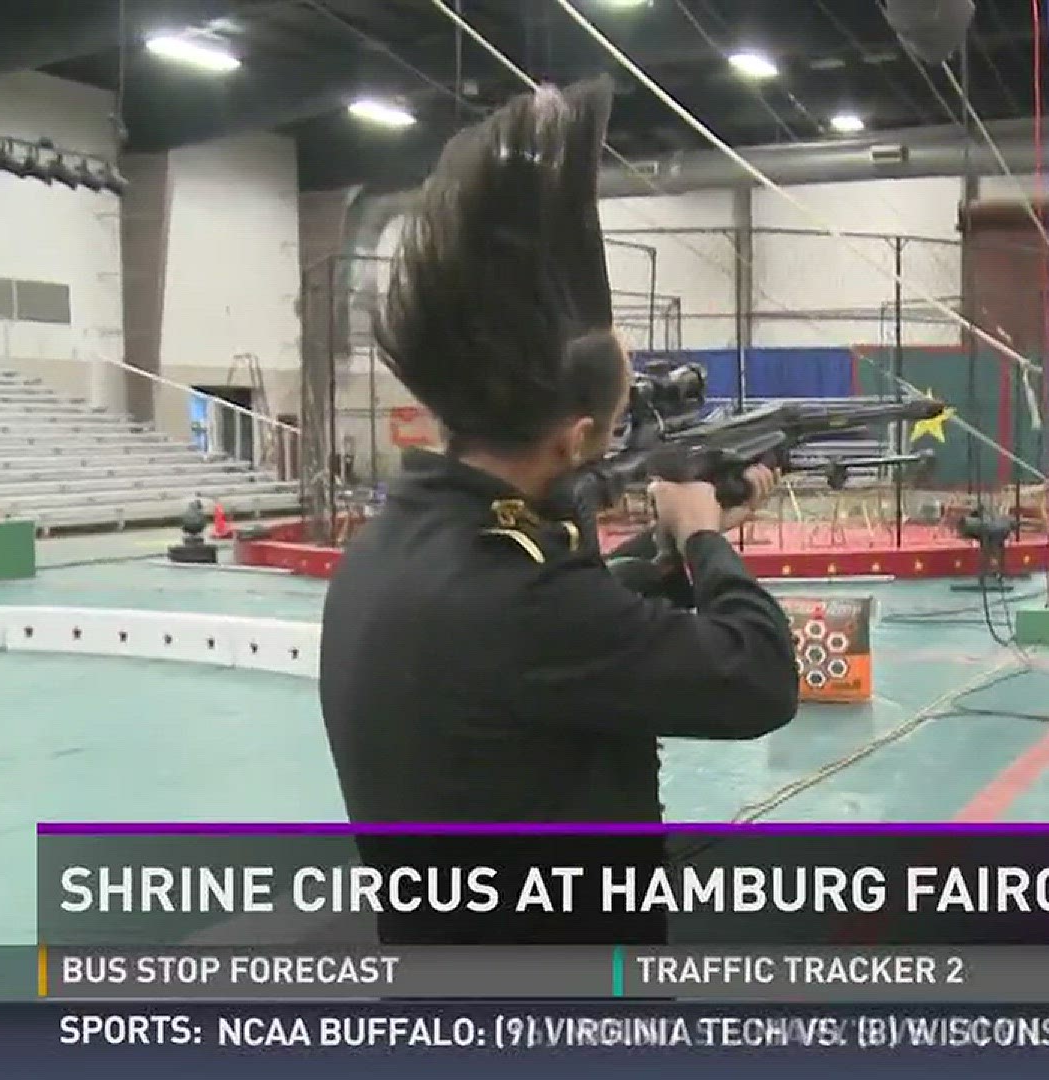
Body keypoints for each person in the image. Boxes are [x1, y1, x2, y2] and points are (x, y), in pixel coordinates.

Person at [318, 78, 802, 941]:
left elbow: (560, 635)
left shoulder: (402, 537)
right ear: (575, 440)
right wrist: (702, 538)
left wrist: (664, 553)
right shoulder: (522, 601)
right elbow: (758, 678)